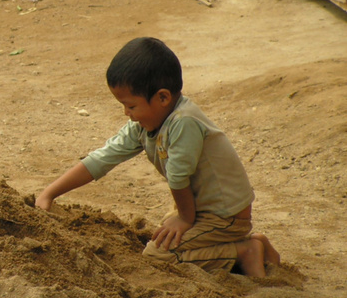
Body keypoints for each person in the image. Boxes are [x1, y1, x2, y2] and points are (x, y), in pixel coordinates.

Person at [35, 37, 279, 277]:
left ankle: (245, 251)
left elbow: (178, 176)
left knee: (158, 256)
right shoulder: (145, 124)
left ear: (163, 97)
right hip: (199, 209)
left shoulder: (184, 122)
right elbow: (103, 158)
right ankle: (244, 245)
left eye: (131, 106)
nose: (126, 113)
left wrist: (185, 218)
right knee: (165, 233)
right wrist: (49, 194)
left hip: (225, 216)